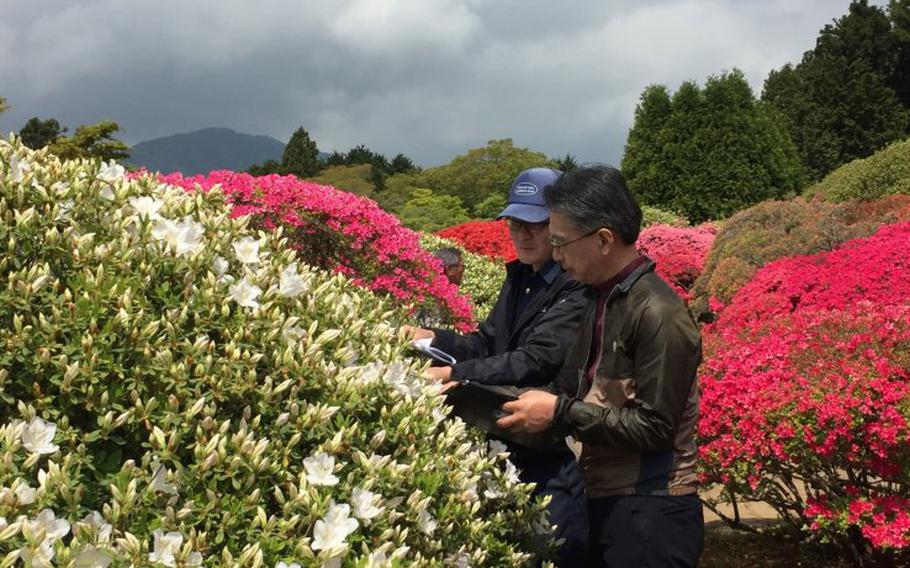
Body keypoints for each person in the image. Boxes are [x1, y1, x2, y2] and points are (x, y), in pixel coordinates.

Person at [497, 165, 704, 567]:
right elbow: (572, 389)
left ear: (604, 239)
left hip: (653, 510)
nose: (556, 255)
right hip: (603, 498)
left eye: (561, 242)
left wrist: (558, 411)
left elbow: (656, 428)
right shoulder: (599, 299)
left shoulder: (658, 311)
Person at [405, 167, 590, 566]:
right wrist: (431, 338)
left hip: (544, 451)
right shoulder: (520, 277)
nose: (524, 234)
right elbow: (488, 342)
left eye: (535, 225)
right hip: (503, 446)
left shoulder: (574, 285)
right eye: (515, 223)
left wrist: (455, 374)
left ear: (557, 224)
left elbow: (536, 359)